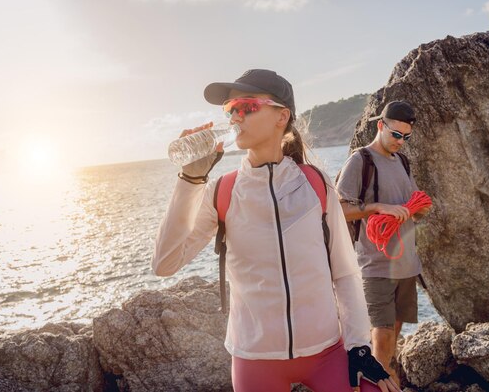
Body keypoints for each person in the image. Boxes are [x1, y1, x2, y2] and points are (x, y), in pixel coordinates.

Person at [152, 69, 400, 392]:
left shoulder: (315, 184)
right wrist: (190, 181)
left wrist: (359, 345)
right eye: (231, 110)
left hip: (325, 350)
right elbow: (164, 264)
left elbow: (345, 271)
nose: (236, 116)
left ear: (281, 116)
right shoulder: (221, 191)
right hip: (255, 357)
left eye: (247, 106)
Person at [336, 101, 431, 385]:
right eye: (396, 134)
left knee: (394, 333)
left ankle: (384, 378)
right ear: (380, 125)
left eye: (406, 137)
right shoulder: (360, 161)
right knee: (383, 332)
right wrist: (378, 208)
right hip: (375, 265)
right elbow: (339, 209)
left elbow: (414, 201)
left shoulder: (402, 162)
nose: (401, 141)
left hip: (405, 264)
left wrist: (420, 208)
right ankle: (380, 383)